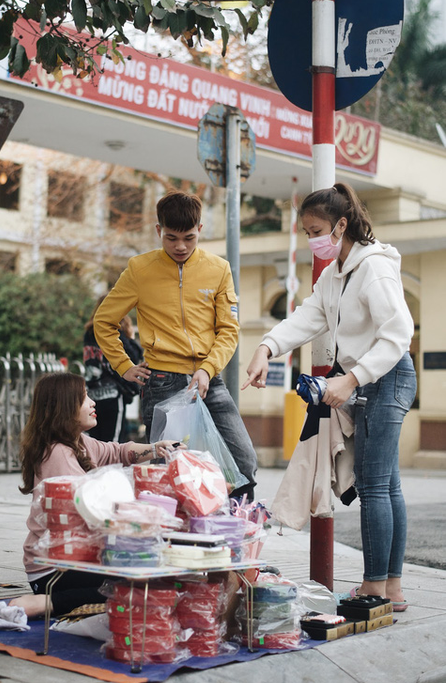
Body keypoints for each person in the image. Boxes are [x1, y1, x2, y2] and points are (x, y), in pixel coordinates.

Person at [241, 182, 416, 610]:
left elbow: (398, 334)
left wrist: (351, 379)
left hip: (388, 376)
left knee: (375, 486)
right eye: (306, 231)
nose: (311, 238)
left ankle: (375, 588)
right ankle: (391, 588)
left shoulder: (373, 267)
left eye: (316, 229)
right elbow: (307, 317)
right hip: (369, 379)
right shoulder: (335, 274)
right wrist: (266, 347)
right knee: (387, 485)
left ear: (341, 225)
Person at [93, 190, 257, 498]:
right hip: (161, 383)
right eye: (171, 238)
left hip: (209, 381)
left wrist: (208, 369)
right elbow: (104, 320)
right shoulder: (139, 269)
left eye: (189, 238)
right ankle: (169, 538)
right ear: (159, 231)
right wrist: (123, 366)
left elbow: (229, 329)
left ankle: (235, 532)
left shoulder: (219, 269)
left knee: (244, 461)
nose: (180, 246)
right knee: (167, 472)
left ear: (200, 231)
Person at [9, 371, 181, 618]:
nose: (93, 403)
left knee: (145, 572)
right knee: (133, 582)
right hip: (53, 569)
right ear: (65, 406)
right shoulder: (58, 454)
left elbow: (118, 452)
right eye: (84, 398)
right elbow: (89, 515)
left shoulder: (79, 442)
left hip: (78, 557)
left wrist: (156, 449)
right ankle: (47, 603)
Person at [83, 296, 143, 443]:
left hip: (93, 396)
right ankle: (109, 468)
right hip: (113, 396)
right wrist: (130, 336)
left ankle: (96, 467)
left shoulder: (89, 334)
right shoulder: (115, 334)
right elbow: (135, 356)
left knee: (95, 443)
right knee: (112, 444)